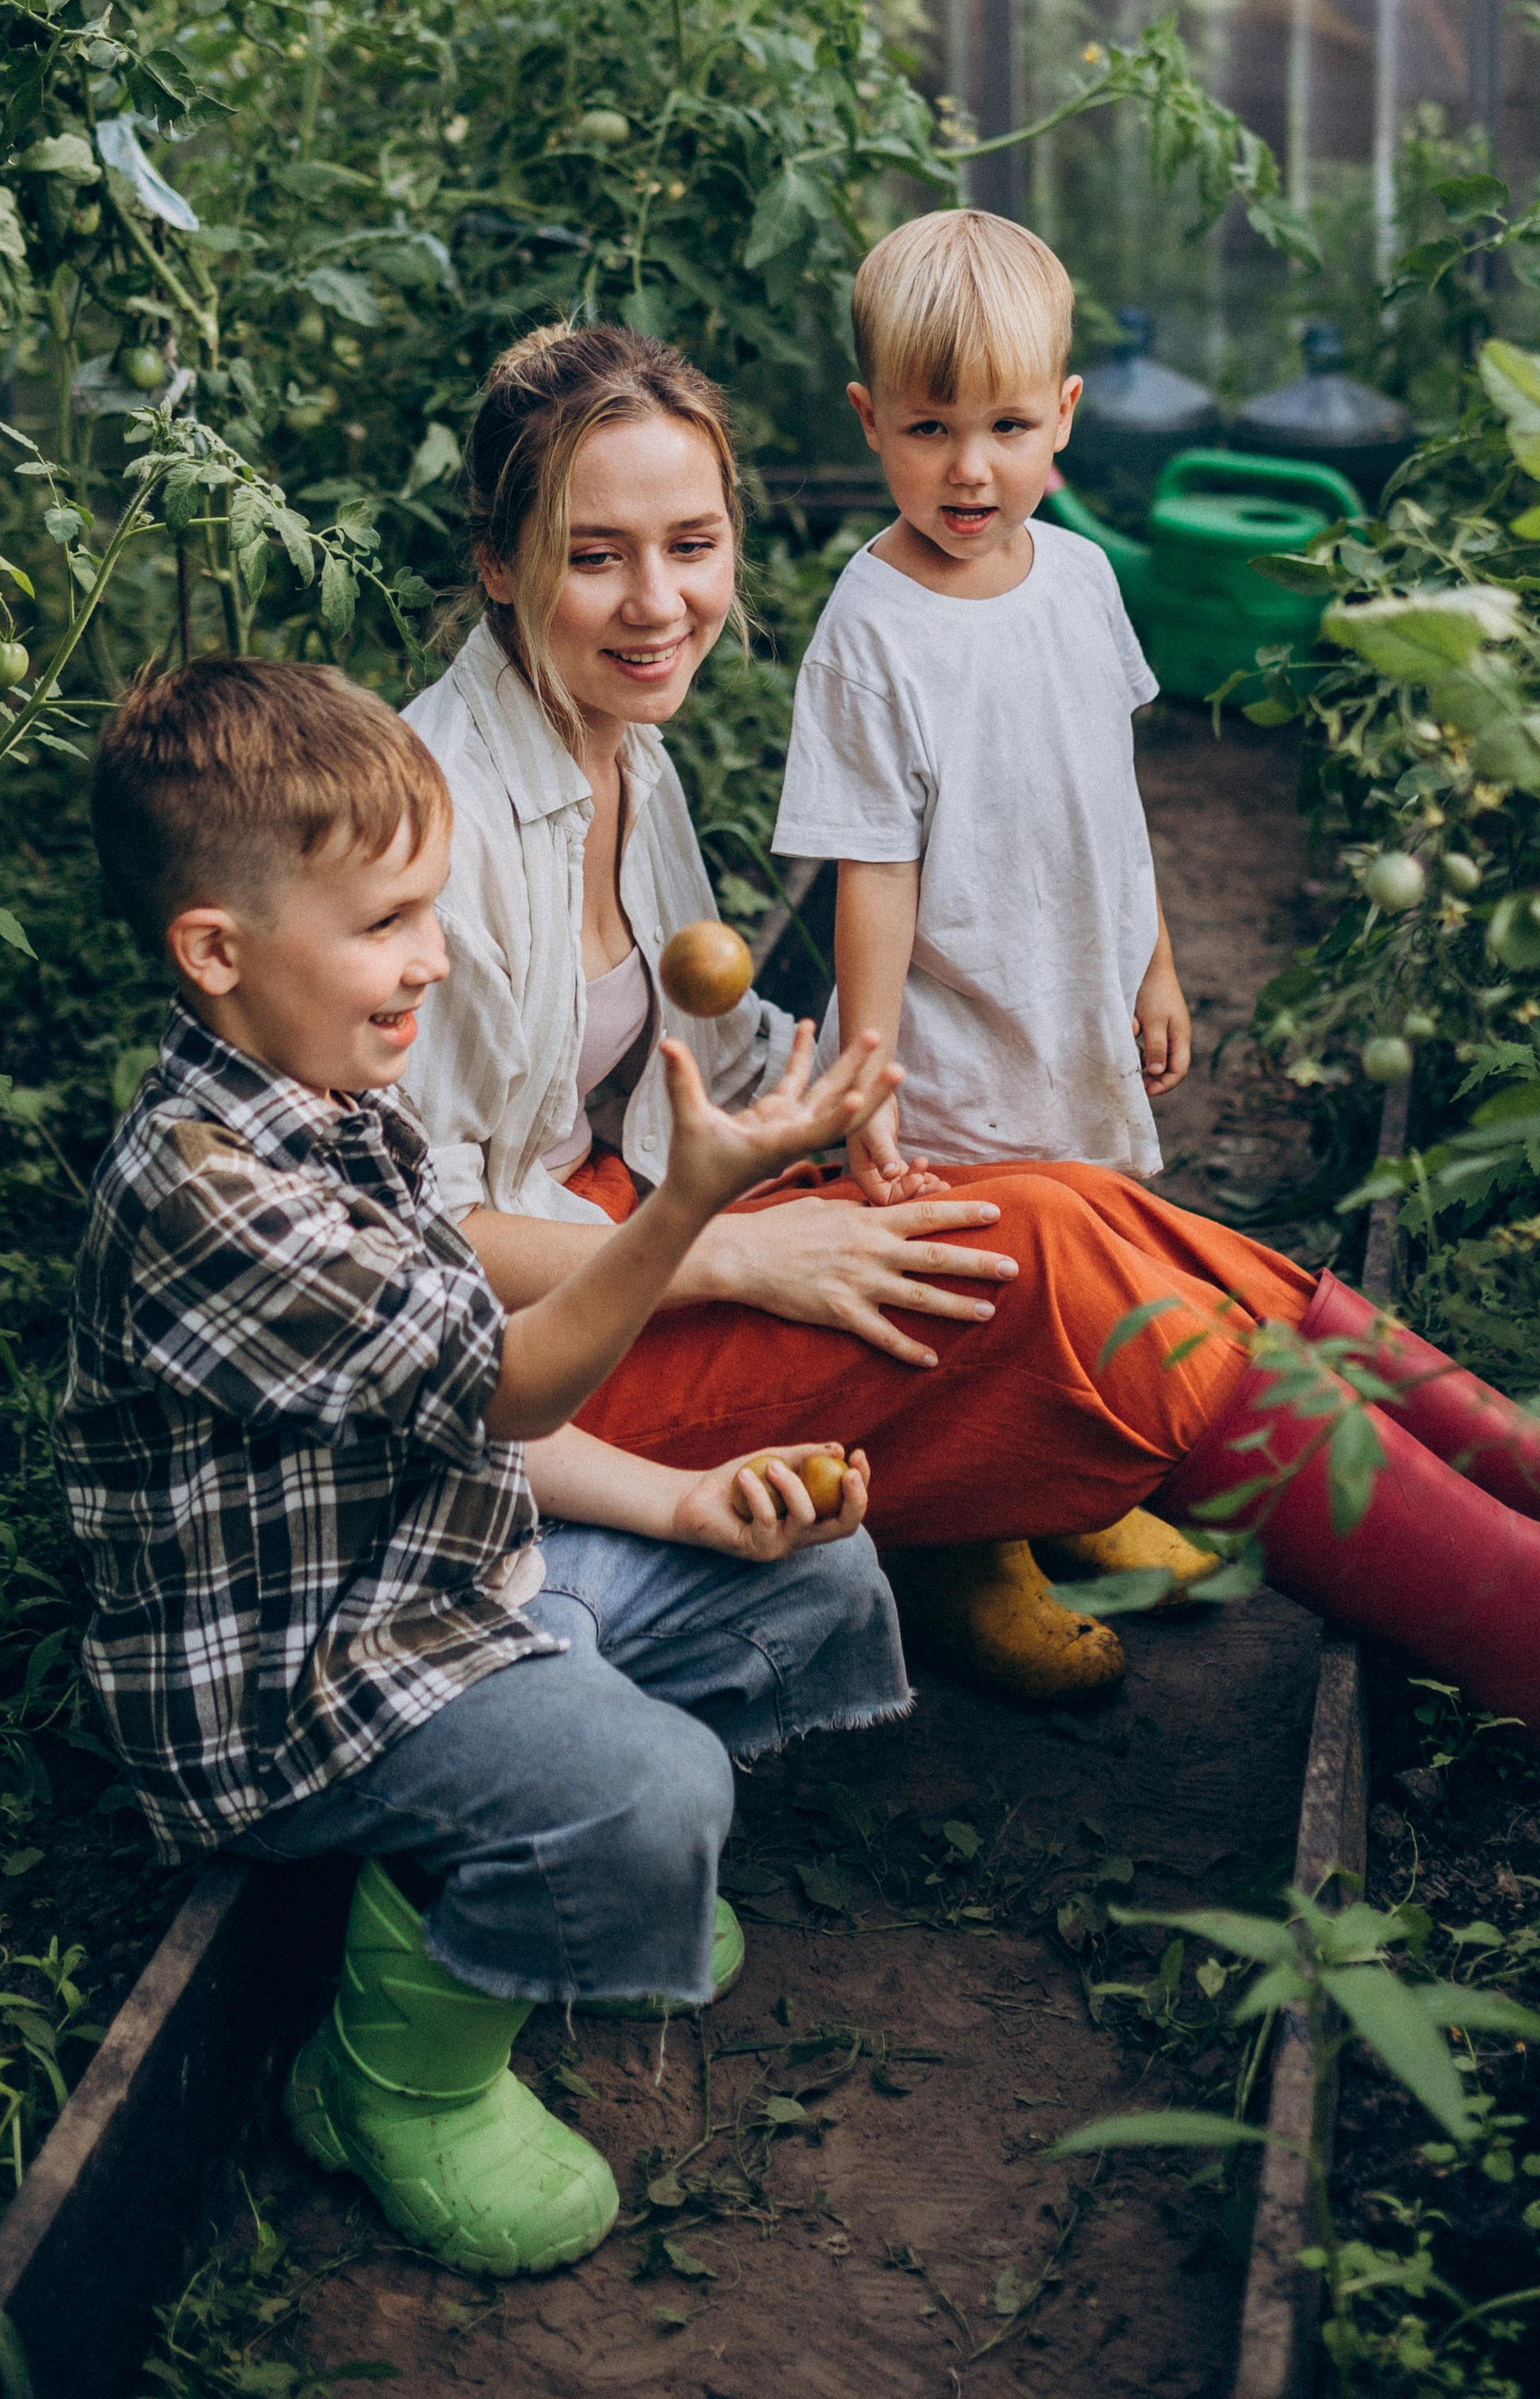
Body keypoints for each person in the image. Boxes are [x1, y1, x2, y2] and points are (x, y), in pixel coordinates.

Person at [400, 319, 1540, 1741]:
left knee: (1078, 1206)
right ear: (498, 565)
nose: (658, 602)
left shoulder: (617, 747)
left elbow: (694, 1049)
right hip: (529, 1379)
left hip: (633, 1238)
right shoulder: (437, 831)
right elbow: (407, 1242)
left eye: (691, 545)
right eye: (594, 556)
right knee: (1057, 1281)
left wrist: (860, 1096)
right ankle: (1536, 1626)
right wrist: (738, 1246)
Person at [59, 655, 914, 2280]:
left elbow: (465, 1423)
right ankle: (390, 2082)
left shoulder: (334, 1105)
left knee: (810, 1568)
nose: (432, 961)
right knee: (657, 1789)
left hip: (426, 1571)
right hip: (296, 1691)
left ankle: (571, 1862)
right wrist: (683, 1210)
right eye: (386, 924)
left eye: (429, 911)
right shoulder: (210, 1200)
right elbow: (515, 1378)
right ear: (216, 952)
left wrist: (679, 1503)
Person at [774, 206, 1189, 1205]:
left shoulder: (1082, 577)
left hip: (1073, 1009)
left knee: (1077, 1235)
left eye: (1008, 426)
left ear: (1064, 412)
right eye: (929, 428)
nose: (970, 467)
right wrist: (866, 1081)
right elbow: (872, 876)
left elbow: (1113, 802)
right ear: (870, 419)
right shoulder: (872, 633)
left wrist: (1155, 966)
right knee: (984, 1269)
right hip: (946, 1070)